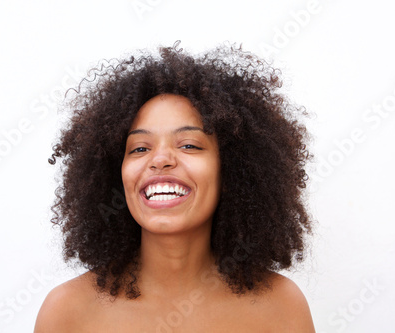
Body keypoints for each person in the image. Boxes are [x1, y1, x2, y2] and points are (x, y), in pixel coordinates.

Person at [34, 41, 316, 332]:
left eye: (190, 145)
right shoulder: (68, 312)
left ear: (232, 168)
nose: (160, 160)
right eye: (139, 149)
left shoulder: (280, 308)